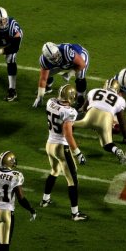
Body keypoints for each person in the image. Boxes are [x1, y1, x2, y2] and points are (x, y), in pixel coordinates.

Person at [40, 84, 88, 221]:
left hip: (49, 144)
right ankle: (75, 213)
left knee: (54, 171)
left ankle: (45, 199)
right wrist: (78, 153)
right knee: (72, 180)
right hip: (61, 147)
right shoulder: (70, 112)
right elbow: (68, 135)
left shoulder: (50, 102)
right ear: (71, 97)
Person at [0, 151, 36, 251]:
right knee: (5, 245)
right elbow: (21, 198)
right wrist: (31, 209)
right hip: (5, 212)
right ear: (9, 162)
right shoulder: (15, 176)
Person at [73, 79, 126, 164]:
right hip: (105, 122)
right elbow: (122, 121)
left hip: (89, 118)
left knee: (68, 124)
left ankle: (65, 143)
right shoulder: (120, 100)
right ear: (117, 89)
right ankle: (116, 150)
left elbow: (83, 109)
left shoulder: (94, 91)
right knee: (107, 144)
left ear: (105, 85)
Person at [32, 42, 89, 110]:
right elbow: (43, 79)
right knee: (47, 75)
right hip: (65, 62)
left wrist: (70, 74)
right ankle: (48, 87)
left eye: (57, 55)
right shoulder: (44, 61)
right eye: (53, 58)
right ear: (47, 58)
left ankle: (81, 100)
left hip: (79, 56)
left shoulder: (66, 51)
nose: (56, 59)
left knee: (80, 77)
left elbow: (82, 64)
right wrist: (39, 97)